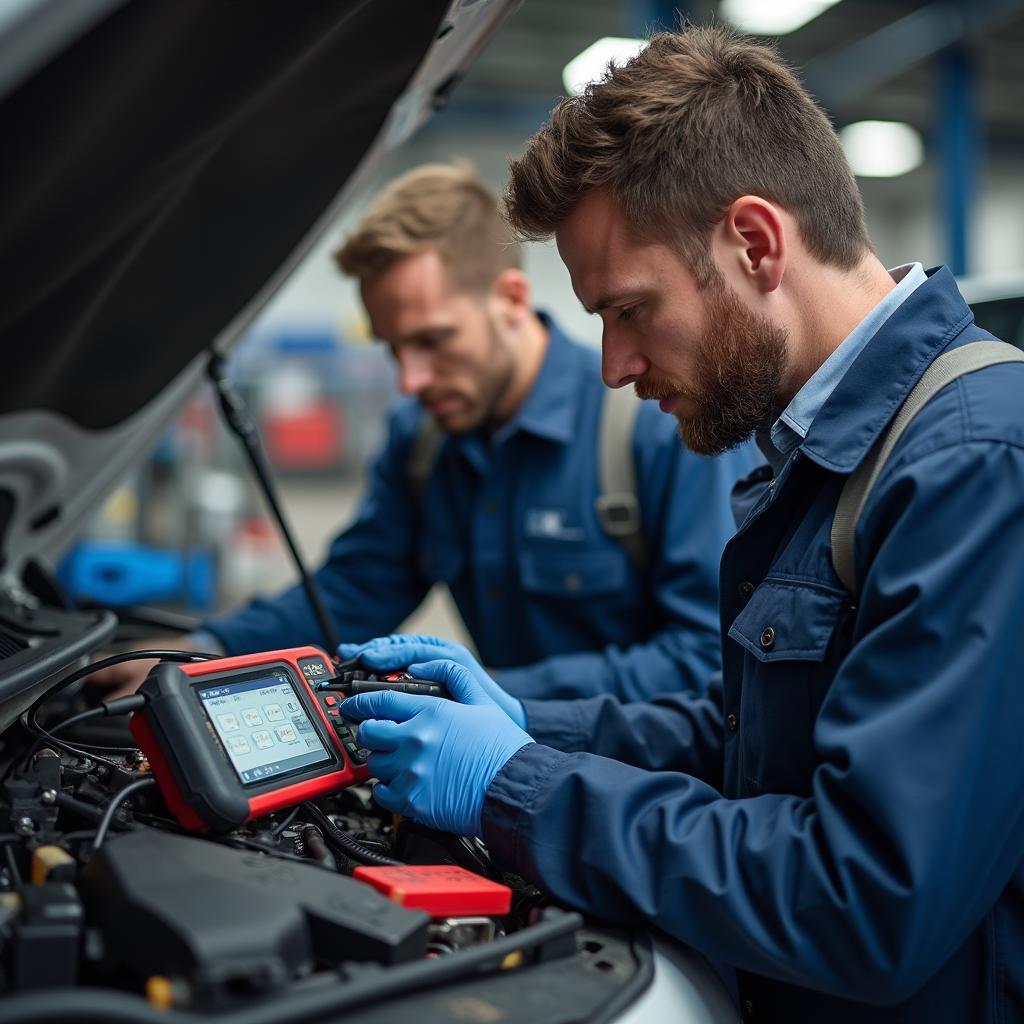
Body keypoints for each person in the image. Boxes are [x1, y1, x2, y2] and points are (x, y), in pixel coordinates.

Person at [338, 27, 1024, 1023]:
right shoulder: (824, 452)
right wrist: (533, 721)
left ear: (754, 242)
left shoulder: (971, 463)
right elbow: (752, 738)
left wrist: (518, 785)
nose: (614, 365)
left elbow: (865, 899)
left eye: (628, 310)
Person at [96, 164, 754, 700]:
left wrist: (482, 690)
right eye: (391, 349)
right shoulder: (424, 442)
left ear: (512, 301)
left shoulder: (655, 426)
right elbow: (354, 591)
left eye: (433, 341)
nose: (410, 379)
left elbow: (705, 659)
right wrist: (207, 651)